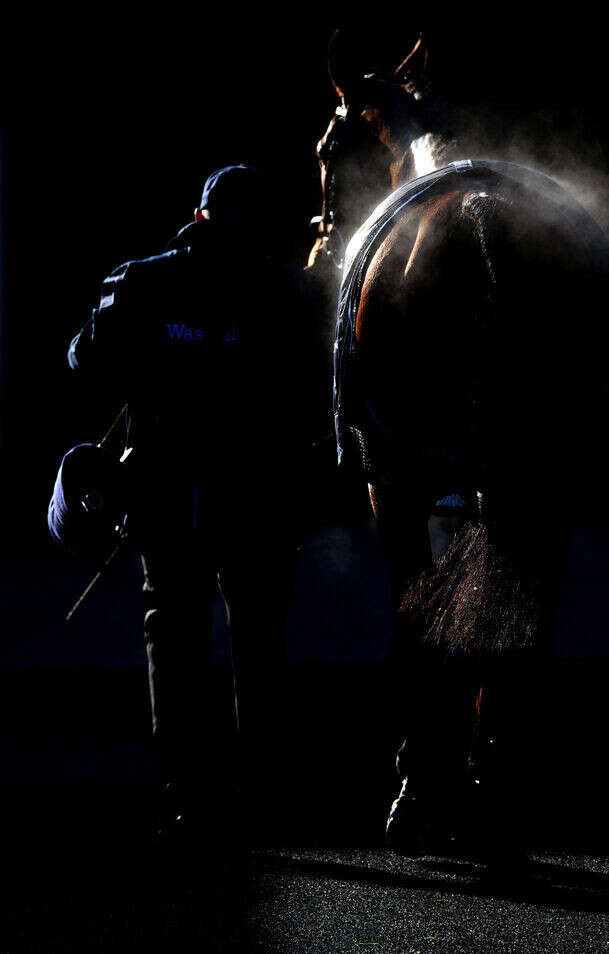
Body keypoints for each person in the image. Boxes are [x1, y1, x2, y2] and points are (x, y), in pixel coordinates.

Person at [67, 165, 326, 842]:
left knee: (180, 638)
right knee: (254, 643)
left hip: (176, 494)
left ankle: (190, 796)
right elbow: (321, 389)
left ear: (199, 214)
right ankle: (259, 793)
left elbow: (84, 361)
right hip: (252, 497)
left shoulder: (145, 280)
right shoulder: (290, 290)